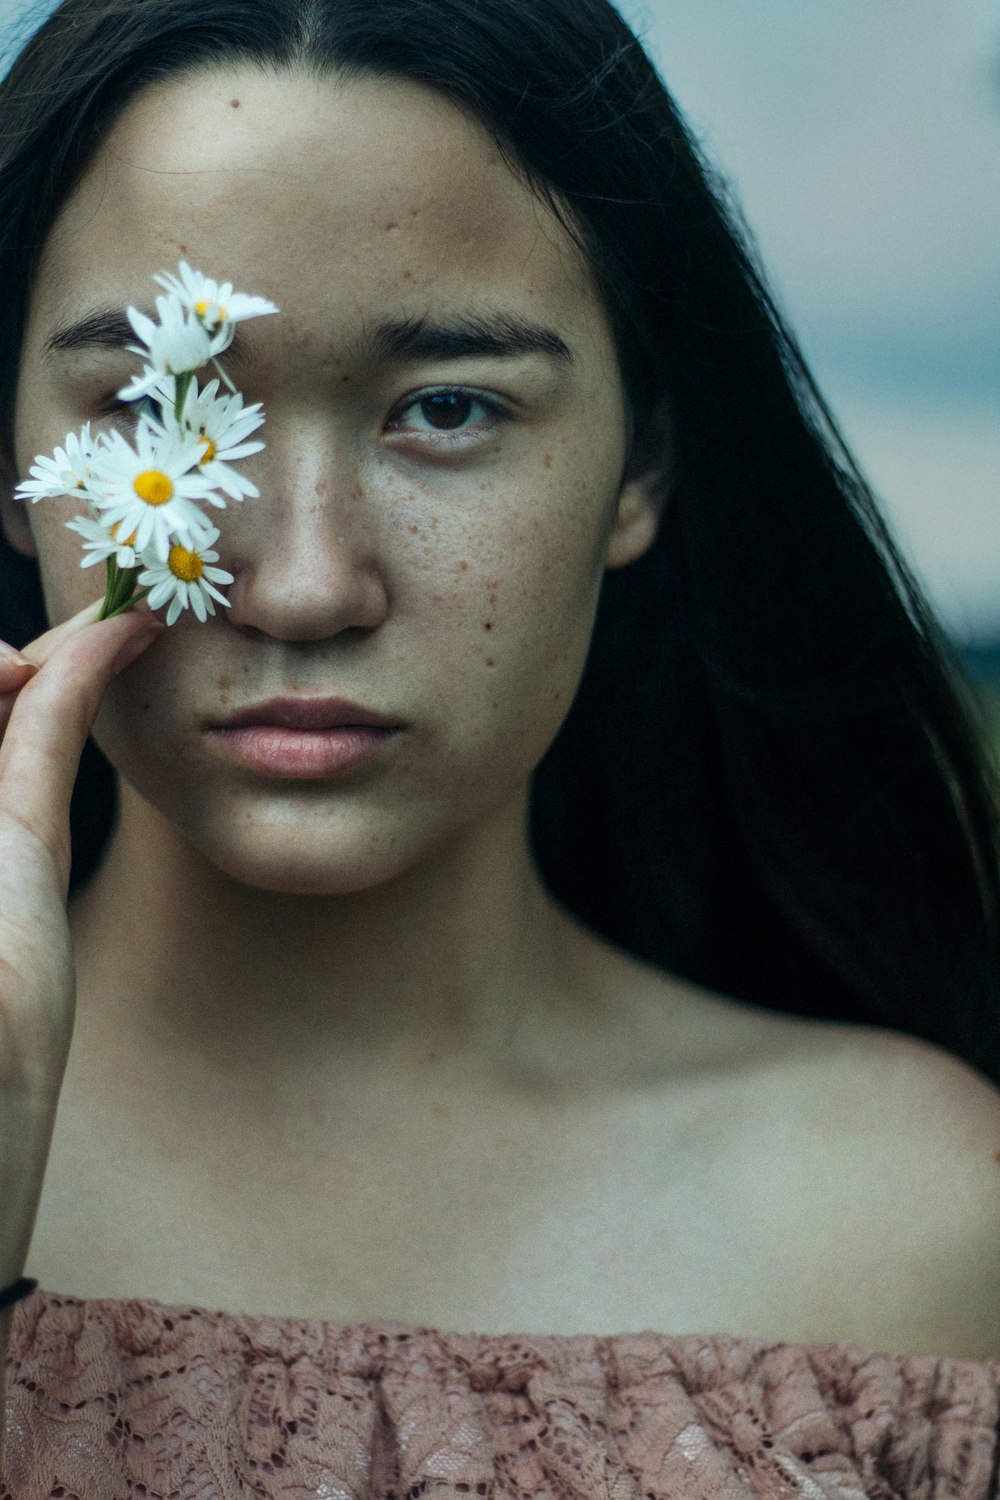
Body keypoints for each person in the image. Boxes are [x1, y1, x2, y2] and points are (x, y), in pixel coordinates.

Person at [0, 0, 998, 1492]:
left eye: (447, 409)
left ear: (638, 465)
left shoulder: (920, 1221)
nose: (309, 582)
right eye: (159, 404)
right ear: (17, 474)